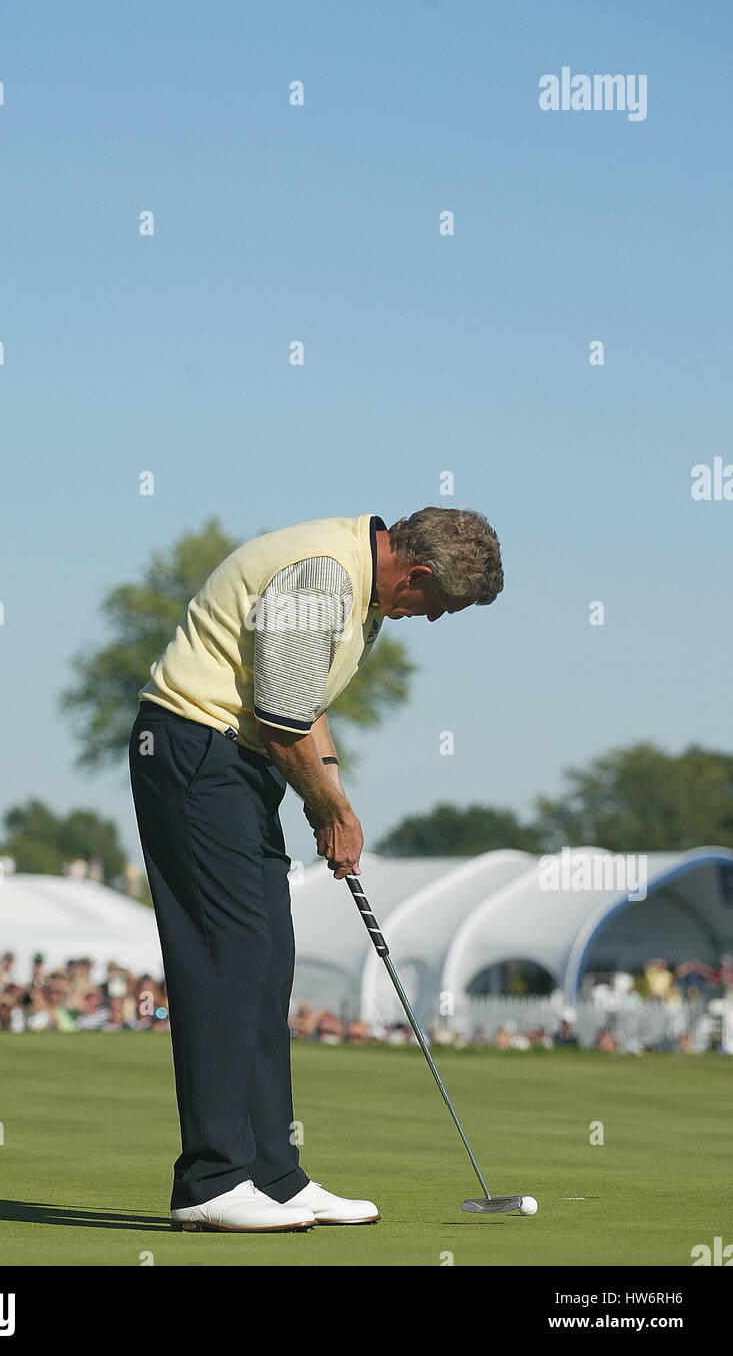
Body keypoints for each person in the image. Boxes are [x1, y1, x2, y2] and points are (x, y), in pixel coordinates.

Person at [129, 506, 503, 1232]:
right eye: (437, 606)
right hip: (193, 753)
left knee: (266, 962)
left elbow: (302, 702)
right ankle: (210, 1180)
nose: (427, 619)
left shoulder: (355, 584)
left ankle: (272, 1173)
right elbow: (278, 718)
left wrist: (331, 792)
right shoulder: (322, 578)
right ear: (416, 573)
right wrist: (326, 808)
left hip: (232, 764)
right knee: (226, 962)